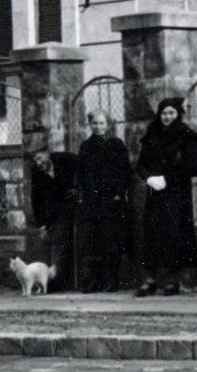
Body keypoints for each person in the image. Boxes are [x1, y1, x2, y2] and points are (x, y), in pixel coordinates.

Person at [134, 96, 197, 297]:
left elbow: (193, 167)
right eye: (163, 113)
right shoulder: (151, 134)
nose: (167, 117)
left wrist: (167, 179)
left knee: (174, 233)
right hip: (155, 193)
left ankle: (173, 280)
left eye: (171, 113)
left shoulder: (187, 136)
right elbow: (141, 164)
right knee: (152, 233)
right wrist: (149, 178)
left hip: (177, 194)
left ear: (178, 114)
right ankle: (150, 279)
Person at [74, 111, 131, 292]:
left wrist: (119, 194)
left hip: (111, 199)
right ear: (90, 125)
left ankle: (111, 280)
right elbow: (81, 173)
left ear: (108, 125)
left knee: (111, 240)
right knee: (93, 241)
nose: (98, 127)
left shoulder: (116, 145)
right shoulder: (85, 146)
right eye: (94, 123)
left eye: (101, 123)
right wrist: (82, 195)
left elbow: (124, 171)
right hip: (92, 200)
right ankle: (94, 280)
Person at [28, 144, 78, 287]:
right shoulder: (36, 171)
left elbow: (84, 168)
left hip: (74, 204)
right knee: (56, 241)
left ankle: (62, 280)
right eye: (34, 160)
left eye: (39, 158)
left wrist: (77, 188)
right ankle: (55, 281)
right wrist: (41, 226)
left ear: (47, 153)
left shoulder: (65, 159)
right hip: (55, 210)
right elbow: (35, 198)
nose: (38, 163)